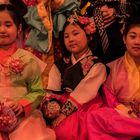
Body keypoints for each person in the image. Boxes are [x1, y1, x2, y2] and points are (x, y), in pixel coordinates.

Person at [41, 12, 108, 140]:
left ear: (89, 36)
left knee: (69, 131)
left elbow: (86, 91)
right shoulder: (59, 64)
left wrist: (63, 113)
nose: (71, 39)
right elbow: (52, 90)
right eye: (66, 36)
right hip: (61, 103)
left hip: (87, 105)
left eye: (76, 33)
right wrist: (51, 107)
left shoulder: (97, 65)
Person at [0, 3, 55, 140]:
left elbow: (37, 91)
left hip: (22, 117)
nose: (2, 30)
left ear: (18, 29)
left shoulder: (28, 59)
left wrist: (22, 105)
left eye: (8, 25)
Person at [87, 16, 140, 140]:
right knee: (96, 116)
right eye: (133, 36)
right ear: (124, 38)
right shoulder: (112, 67)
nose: (137, 41)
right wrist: (127, 113)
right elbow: (109, 99)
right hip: (124, 116)